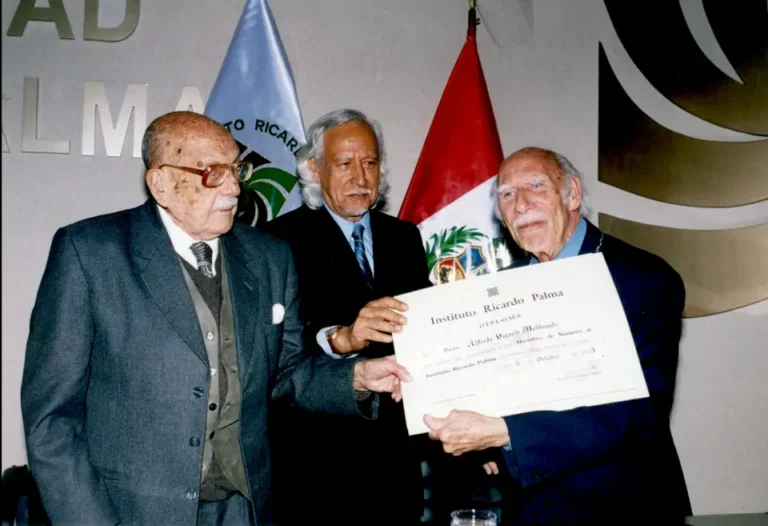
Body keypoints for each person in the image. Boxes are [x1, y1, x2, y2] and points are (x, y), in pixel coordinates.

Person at [20, 111, 410, 526]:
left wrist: (356, 378)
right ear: (161, 183)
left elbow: (286, 376)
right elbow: (51, 422)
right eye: (212, 172)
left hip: (243, 510)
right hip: (130, 514)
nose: (234, 187)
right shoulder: (91, 253)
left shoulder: (269, 258)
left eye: (236, 169)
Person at [424, 147, 692, 523]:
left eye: (535, 185)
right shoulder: (498, 292)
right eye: (507, 194)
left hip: (624, 507)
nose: (520, 205)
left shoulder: (644, 279)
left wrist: (504, 432)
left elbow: (640, 415)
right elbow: (492, 388)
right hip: (530, 508)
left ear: (572, 194)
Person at [263, 109, 432, 525]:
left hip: (396, 465)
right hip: (316, 467)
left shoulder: (405, 238)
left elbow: (425, 334)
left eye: (370, 162)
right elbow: (267, 354)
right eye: (344, 164)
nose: (360, 177)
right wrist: (340, 338)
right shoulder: (277, 241)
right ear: (314, 169)